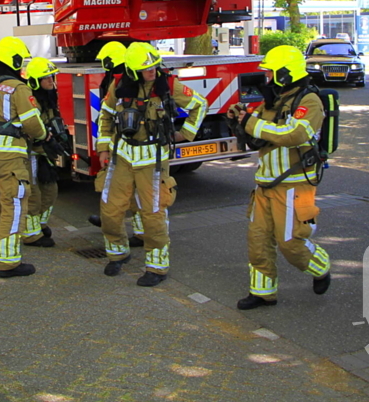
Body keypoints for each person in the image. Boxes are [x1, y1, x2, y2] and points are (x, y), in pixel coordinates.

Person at [227, 45, 331, 310]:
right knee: (258, 240)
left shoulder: (309, 101)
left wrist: (251, 122)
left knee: (291, 243)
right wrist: (241, 118)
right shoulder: (274, 99)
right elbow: (258, 136)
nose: (268, 78)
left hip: (293, 184)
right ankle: (263, 293)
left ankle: (320, 267)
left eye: (272, 73)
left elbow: (292, 135)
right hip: (265, 183)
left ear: (286, 73)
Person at [97, 42, 206, 287]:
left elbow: (199, 105)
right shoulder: (119, 85)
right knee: (110, 210)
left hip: (153, 160)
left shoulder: (167, 84)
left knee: (154, 215)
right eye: (147, 69)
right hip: (121, 157)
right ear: (133, 71)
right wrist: (103, 147)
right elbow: (105, 114)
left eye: (155, 66)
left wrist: (184, 134)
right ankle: (117, 254)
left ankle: (156, 267)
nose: (152, 72)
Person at [0, 36, 47, 278]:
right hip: (8, 156)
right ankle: (8, 262)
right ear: (14, 60)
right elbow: (33, 125)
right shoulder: (18, 88)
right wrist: (44, 136)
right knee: (14, 204)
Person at [88, 41, 145, 248]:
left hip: (122, 146)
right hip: (125, 145)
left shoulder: (118, 81)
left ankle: (118, 227)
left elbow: (107, 115)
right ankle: (140, 232)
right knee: (133, 191)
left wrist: (104, 145)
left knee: (115, 187)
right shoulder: (124, 79)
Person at [21, 57, 64, 248]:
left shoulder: (49, 99)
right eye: (47, 79)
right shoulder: (29, 99)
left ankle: (40, 224)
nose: (51, 82)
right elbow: (31, 128)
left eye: (52, 78)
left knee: (51, 189)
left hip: (44, 152)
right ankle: (31, 234)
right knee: (34, 193)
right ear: (36, 81)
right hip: (30, 152)